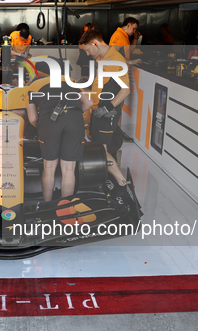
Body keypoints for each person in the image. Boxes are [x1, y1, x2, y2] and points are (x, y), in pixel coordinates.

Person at [26, 74, 93, 202]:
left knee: (49, 167)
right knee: (68, 169)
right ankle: (64, 208)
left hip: (49, 122)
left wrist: (44, 126)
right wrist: (75, 115)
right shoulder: (70, 83)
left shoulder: (33, 88)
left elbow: (33, 118)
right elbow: (89, 102)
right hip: (74, 120)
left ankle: (47, 206)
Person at [79, 29, 131, 188]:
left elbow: (126, 89)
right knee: (107, 145)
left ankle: (122, 183)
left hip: (105, 112)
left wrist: (108, 107)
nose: (87, 54)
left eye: (88, 50)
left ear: (95, 43)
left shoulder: (116, 60)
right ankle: (107, 178)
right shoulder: (103, 58)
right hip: (98, 110)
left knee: (100, 151)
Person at [109, 17, 142, 143]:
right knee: (116, 104)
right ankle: (114, 133)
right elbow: (112, 55)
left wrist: (135, 39)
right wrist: (130, 62)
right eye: (134, 29)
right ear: (128, 25)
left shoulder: (125, 37)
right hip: (116, 74)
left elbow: (128, 51)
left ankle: (116, 132)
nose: (134, 31)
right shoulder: (118, 36)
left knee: (119, 104)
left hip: (120, 74)